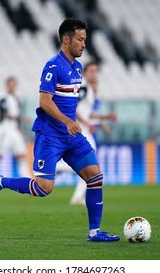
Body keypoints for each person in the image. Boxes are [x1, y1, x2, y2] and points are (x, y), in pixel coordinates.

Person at [0, 18, 120, 242]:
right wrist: (67, 121)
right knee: (44, 188)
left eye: (85, 40)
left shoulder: (77, 67)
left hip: (71, 136)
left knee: (95, 176)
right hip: (51, 136)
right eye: (80, 39)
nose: (84, 44)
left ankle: (94, 232)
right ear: (66, 39)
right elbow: (45, 101)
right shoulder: (53, 66)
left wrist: (75, 122)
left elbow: (70, 102)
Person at [69, 61, 117, 205]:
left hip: (83, 127)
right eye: (91, 71)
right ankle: (57, 167)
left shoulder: (89, 89)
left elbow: (88, 113)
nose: (94, 74)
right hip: (80, 128)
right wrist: (87, 123)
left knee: (90, 164)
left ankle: (77, 197)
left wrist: (104, 118)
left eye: (96, 71)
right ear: (84, 73)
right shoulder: (83, 87)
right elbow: (73, 107)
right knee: (90, 162)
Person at [0, 77, 31, 178]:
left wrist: (20, 129)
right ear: (7, 85)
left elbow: (16, 115)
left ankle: (28, 181)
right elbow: (5, 114)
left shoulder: (16, 98)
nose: (12, 87)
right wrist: (22, 118)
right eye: (10, 85)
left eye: (13, 85)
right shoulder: (3, 97)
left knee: (22, 155)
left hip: (14, 129)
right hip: (5, 128)